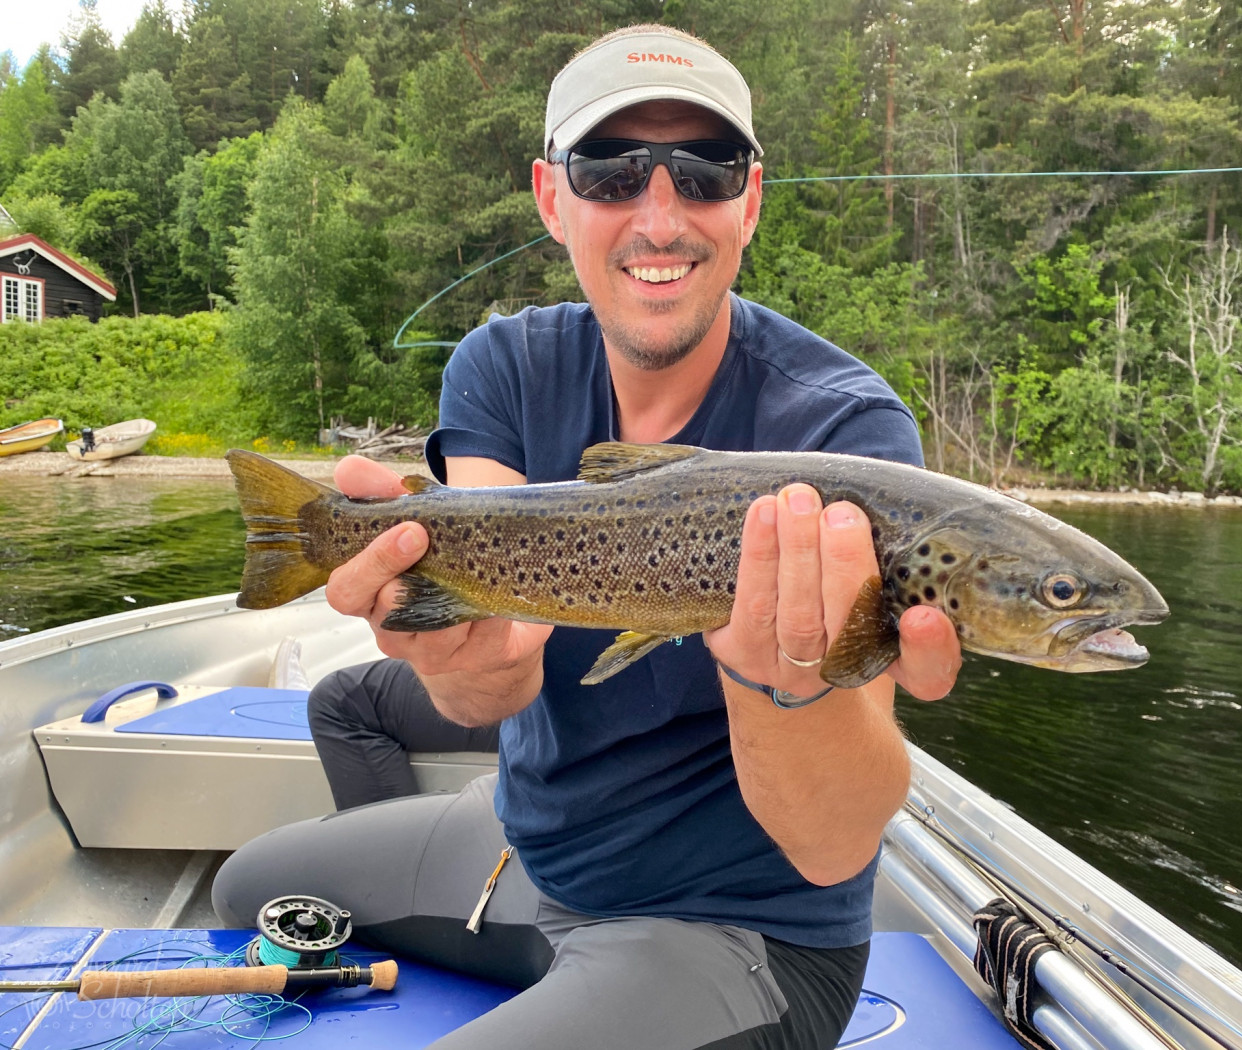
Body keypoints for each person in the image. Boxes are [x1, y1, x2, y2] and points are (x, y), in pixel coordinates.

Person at [212, 23, 963, 1049]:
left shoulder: (844, 435)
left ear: (748, 200)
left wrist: (777, 681)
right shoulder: (502, 365)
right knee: (248, 888)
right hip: (535, 854)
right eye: (609, 169)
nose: (659, 215)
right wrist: (464, 652)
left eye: (704, 169)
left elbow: (833, 848)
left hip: (735, 931)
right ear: (550, 197)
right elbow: (494, 664)